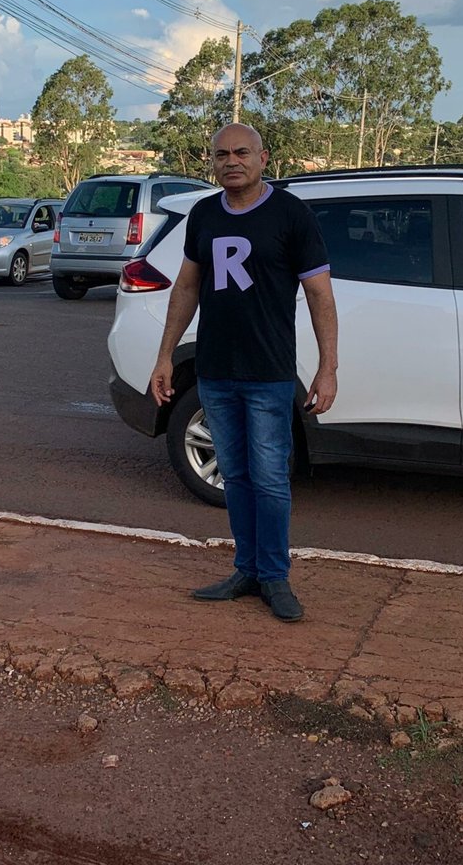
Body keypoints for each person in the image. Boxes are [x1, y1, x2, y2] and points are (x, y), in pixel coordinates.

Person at [149, 123, 339, 623]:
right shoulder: (205, 214)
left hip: (269, 372)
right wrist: (165, 354)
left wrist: (328, 368)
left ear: (263, 158)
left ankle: (275, 577)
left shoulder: (290, 214)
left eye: (241, 152)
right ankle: (246, 570)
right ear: (211, 162)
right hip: (214, 370)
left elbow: (320, 295)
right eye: (221, 154)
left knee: (271, 479)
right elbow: (187, 287)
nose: (231, 161)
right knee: (234, 476)